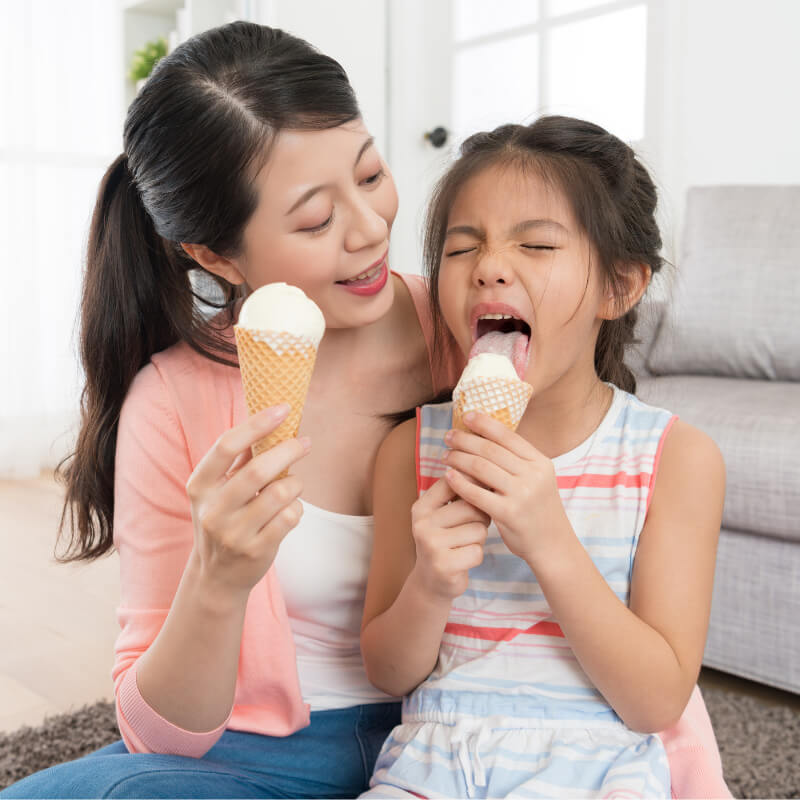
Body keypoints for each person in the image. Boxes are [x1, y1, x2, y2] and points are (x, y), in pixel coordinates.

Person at [1, 21, 462, 800]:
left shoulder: (465, 335)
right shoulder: (174, 400)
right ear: (214, 256)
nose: (371, 227)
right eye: (316, 219)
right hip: (261, 761)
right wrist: (217, 582)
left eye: (371, 172)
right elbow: (163, 737)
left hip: (458, 738)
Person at [360, 116, 731, 798]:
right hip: (435, 758)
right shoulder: (409, 449)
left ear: (620, 287)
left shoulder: (675, 459)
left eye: (535, 244)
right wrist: (431, 585)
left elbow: (654, 703)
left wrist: (552, 542)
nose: (489, 267)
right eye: (460, 247)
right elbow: (387, 672)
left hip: (603, 765)